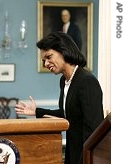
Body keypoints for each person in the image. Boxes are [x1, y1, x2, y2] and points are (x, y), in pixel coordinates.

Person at [15, 31, 104, 164]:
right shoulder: (64, 80)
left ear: (63, 50)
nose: (46, 64)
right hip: (72, 152)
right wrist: (36, 112)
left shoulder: (86, 81)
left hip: (85, 156)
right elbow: (66, 114)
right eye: (44, 60)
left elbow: (94, 130)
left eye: (49, 57)